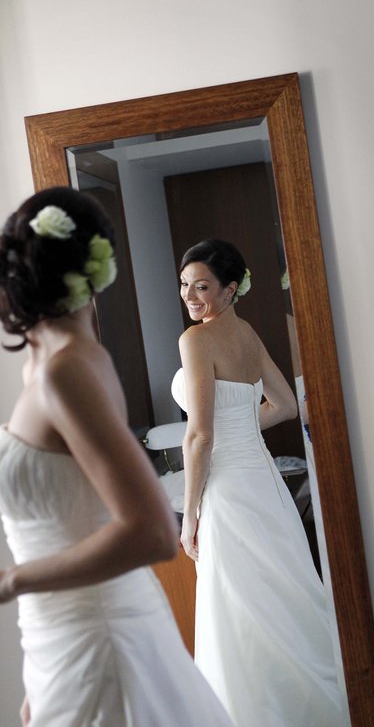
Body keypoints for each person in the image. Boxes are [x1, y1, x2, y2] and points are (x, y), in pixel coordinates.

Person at [0, 188, 234, 727]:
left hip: (100, 640)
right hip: (58, 641)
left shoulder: (69, 371)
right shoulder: (48, 365)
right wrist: (40, 675)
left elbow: (152, 531)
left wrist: (14, 580)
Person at [172, 238, 348, 727]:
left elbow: (200, 437)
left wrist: (189, 519)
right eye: (185, 284)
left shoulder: (196, 341)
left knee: (241, 611)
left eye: (202, 286)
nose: (190, 295)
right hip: (265, 484)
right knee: (283, 599)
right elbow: (286, 406)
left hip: (227, 490)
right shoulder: (246, 333)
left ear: (230, 289)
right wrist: (242, 428)